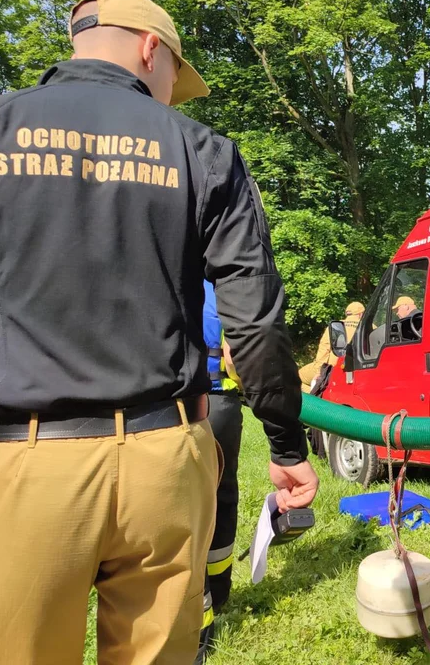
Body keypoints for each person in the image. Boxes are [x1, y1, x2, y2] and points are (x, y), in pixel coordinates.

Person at [0, 0, 317, 665]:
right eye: (177, 74)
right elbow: (256, 326)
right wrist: (289, 450)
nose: (174, 92)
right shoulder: (203, 151)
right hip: (165, 458)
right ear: (152, 48)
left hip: (26, 464)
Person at [197, 279, 245, 661]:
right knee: (222, 495)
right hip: (220, 404)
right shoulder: (223, 289)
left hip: (173, 406)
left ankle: (196, 623)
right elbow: (234, 359)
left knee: (184, 513)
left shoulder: (163, 274)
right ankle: (222, 588)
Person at [298, 301, 365, 393]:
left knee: (296, 376)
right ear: (361, 314)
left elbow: (324, 349)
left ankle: (316, 396)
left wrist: (319, 371)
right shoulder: (370, 327)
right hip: (358, 369)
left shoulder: (336, 326)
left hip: (332, 366)